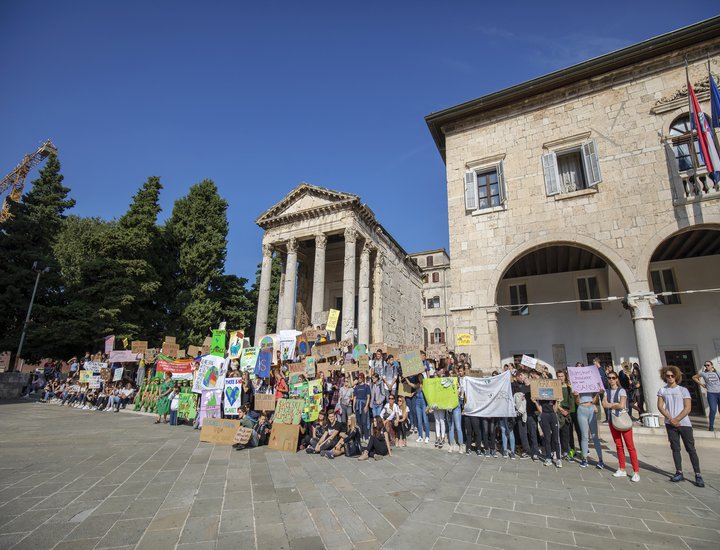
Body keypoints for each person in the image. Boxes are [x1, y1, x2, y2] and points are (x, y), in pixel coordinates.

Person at [657, 365, 704, 487]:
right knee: (675, 448)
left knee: (691, 449)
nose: (670, 378)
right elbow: (660, 406)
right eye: (667, 376)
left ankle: (698, 474)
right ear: (664, 377)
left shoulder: (683, 390)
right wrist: (670, 419)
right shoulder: (662, 390)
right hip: (670, 423)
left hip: (684, 424)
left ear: (676, 376)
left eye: (672, 375)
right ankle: (679, 472)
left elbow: (688, 408)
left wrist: (677, 419)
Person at [601, 370, 640, 482]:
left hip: (623, 420)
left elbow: (622, 405)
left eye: (613, 378)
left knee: (630, 446)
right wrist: (615, 405)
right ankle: (622, 468)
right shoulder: (606, 391)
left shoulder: (621, 390)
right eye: (609, 378)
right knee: (618, 445)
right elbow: (604, 404)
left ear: (617, 379)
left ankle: (636, 471)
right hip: (612, 420)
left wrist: (610, 405)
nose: (611, 380)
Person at [573, 365, 604, 469]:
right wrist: (576, 395)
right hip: (581, 409)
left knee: (595, 436)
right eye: (577, 368)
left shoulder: (591, 381)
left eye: (581, 367)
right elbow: (577, 402)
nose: (579, 369)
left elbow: (594, 401)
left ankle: (600, 459)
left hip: (591, 409)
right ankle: (584, 459)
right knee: (584, 436)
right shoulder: (576, 383)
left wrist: (597, 393)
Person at [692, 361, 720, 431]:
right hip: (711, 393)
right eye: (705, 365)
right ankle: (711, 426)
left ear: (712, 365)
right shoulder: (704, 373)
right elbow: (694, 377)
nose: (706, 366)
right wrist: (702, 384)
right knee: (713, 409)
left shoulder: (717, 373)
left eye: (708, 365)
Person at [556, 370, 576, 460]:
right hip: (558, 411)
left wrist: (568, 411)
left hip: (567, 412)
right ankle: (559, 451)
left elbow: (572, 400)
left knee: (566, 433)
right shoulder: (555, 387)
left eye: (562, 376)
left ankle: (567, 451)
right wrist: (560, 409)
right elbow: (555, 400)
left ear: (565, 377)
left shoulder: (569, 387)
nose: (560, 378)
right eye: (559, 376)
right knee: (558, 433)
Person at [353, 373, 371, 440]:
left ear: (363, 378)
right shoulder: (356, 387)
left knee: (364, 421)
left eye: (360, 378)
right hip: (357, 405)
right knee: (359, 421)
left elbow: (368, 396)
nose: (359, 379)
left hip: (363, 404)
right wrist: (353, 406)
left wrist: (366, 406)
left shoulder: (366, 386)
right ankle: (360, 436)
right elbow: (355, 397)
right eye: (358, 378)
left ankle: (366, 436)